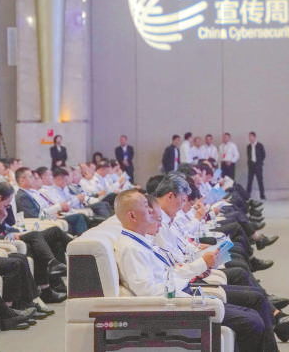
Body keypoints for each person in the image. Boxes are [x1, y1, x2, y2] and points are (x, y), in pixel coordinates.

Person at [114, 190, 278, 352]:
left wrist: (199, 269)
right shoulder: (131, 248)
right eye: (145, 206)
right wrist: (191, 292)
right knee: (252, 321)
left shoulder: (142, 241)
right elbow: (148, 292)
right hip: (176, 305)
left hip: (183, 293)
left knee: (252, 312)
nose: (150, 210)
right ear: (132, 216)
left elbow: (169, 273)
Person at [246, 132, 266, 200]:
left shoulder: (260, 145)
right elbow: (248, 155)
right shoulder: (248, 146)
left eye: (251, 137)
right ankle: (248, 195)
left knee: (260, 181)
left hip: (258, 166)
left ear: (254, 137)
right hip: (251, 166)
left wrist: (259, 162)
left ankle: (262, 195)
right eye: (249, 137)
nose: (250, 138)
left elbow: (263, 155)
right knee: (249, 181)